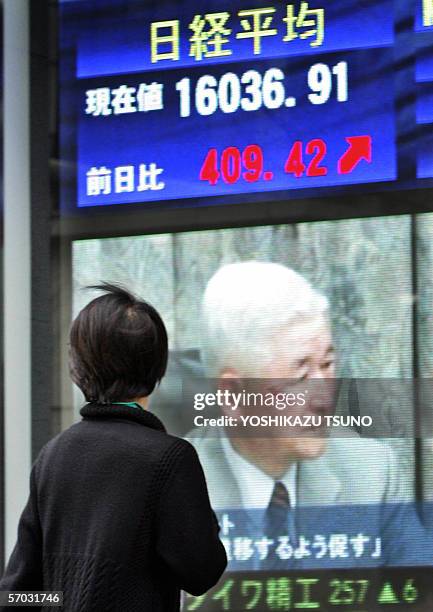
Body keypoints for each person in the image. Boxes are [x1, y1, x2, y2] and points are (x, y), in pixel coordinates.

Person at [0, 283, 227, 611]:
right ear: (156, 368)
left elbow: (18, 594)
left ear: (78, 369)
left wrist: (64, 598)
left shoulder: (52, 456)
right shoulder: (170, 458)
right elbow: (202, 571)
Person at [187, 262, 428, 569]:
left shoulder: (372, 472)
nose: (325, 397)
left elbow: (421, 594)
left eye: (327, 365)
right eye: (300, 376)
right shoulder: (171, 488)